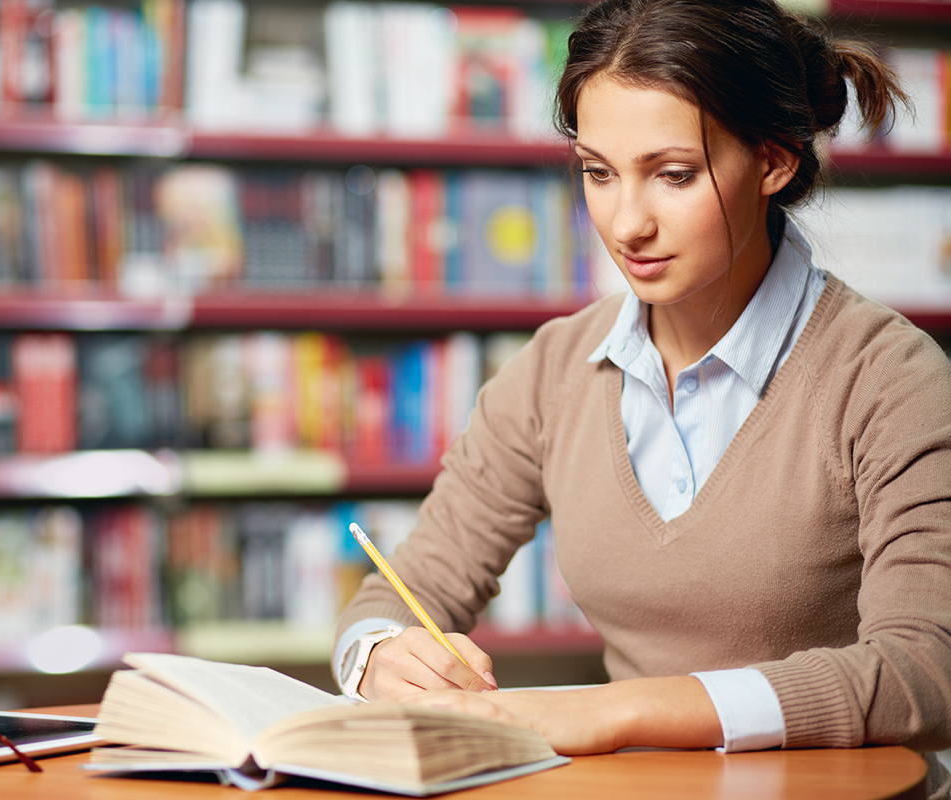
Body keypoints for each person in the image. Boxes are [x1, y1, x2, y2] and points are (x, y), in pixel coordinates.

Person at [331, 1, 951, 797]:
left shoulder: (889, 378)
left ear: (774, 161)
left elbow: (926, 670)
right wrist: (379, 653)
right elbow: (399, 591)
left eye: (674, 175)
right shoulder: (556, 370)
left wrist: (619, 714)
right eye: (598, 172)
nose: (626, 224)